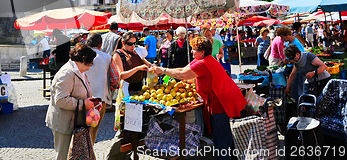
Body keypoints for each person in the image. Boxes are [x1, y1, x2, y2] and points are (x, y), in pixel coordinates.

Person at [151, 37, 246, 160]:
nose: (191, 51)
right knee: (224, 137)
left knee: (222, 138)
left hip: (222, 103)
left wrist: (163, 70)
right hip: (223, 100)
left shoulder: (203, 63)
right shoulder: (202, 59)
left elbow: (182, 75)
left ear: (201, 52)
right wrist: (162, 71)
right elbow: (183, 70)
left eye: (193, 49)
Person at [45, 43, 96, 160]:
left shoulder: (80, 72)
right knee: (63, 156)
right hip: (64, 123)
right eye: (90, 62)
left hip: (74, 121)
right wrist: (83, 104)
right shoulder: (67, 73)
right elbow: (61, 100)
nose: (91, 65)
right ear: (83, 60)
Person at [107, 32, 151, 160]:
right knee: (125, 127)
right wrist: (138, 69)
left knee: (136, 127)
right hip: (127, 93)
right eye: (129, 44)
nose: (132, 46)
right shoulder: (118, 54)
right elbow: (121, 75)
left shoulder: (136, 52)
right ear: (123, 43)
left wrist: (153, 68)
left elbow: (146, 63)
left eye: (134, 43)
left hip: (139, 92)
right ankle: (113, 157)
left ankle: (128, 156)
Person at [85, 32, 112, 144]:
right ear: (100, 44)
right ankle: (89, 152)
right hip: (100, 99)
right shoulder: (107, 57)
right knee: (93, 130)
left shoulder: (81, 56)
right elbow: (114, 79)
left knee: (82, 129)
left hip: (83, 98)